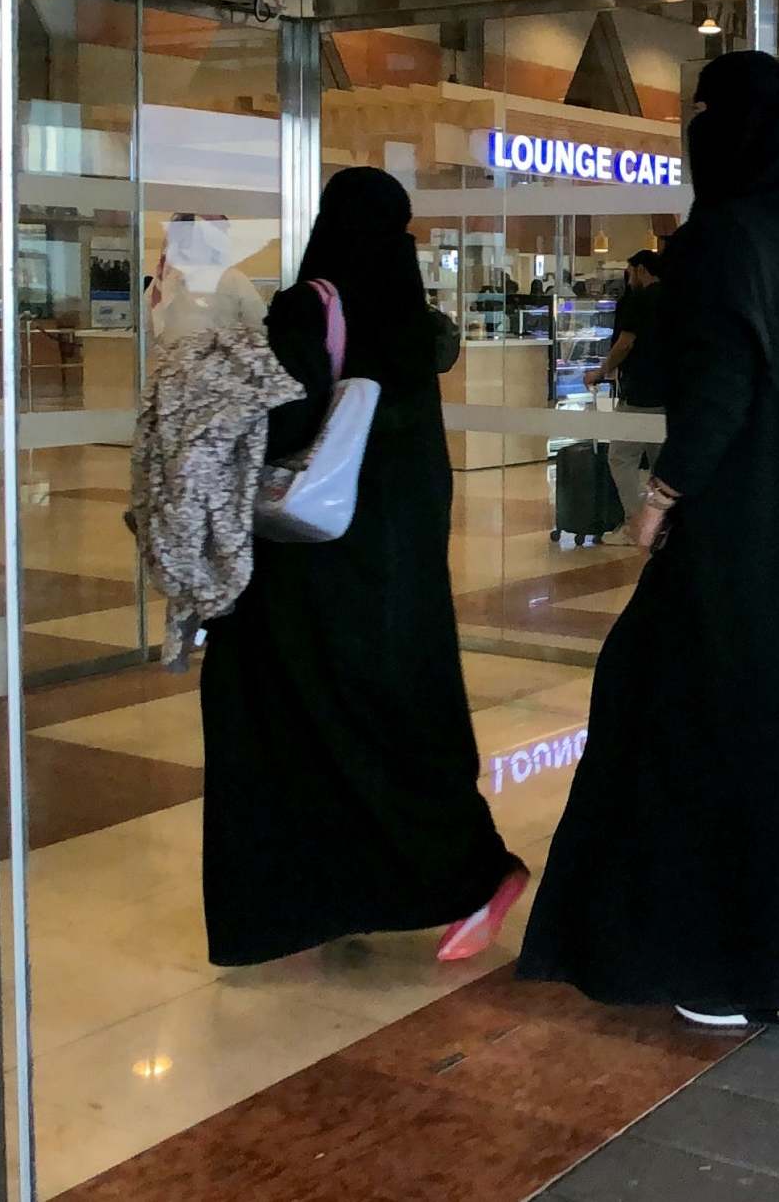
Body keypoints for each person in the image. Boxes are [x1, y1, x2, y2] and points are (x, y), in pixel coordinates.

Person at [518, 52, 779, 1028]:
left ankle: (714, 957)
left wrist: (661, 494)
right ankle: (775, 955)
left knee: (685, 724)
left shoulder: (723, 242)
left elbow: (717, 393)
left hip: (732, 537)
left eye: (704, 115)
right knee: (776, 728)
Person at [198, 167, 527, 968]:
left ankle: (433, 877)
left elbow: (280, 418)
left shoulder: (311, 302)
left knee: (298, 721)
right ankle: (425, 878)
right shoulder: (408, 315)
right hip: (397, 568)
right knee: (399, 719)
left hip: (312, 568)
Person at [584, 249, 666, 537]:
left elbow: (625, 343)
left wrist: (601, 370)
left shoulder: (639, 300)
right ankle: (666, 521)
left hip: (641, 391)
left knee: (621, 457)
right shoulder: (678, 298)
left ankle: (637, 523)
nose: (628, 278)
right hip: (669, 394)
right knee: (662, 462)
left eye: (630, 272)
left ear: (641, 269)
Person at [148, 213, 266, 345]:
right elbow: (147, 327)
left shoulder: (233, 279)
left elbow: (259, 328)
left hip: (216, 360)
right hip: (178, 360)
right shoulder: (165, 279)